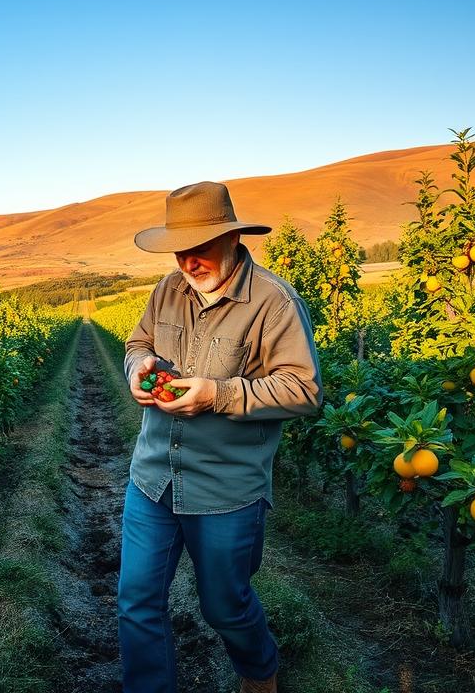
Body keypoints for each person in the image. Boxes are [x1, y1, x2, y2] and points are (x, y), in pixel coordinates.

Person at [118, 181, 322, 693]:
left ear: (232, 238)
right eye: (180, 251)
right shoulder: (168, 290)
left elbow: (303, 390)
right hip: (152, 478)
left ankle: (260, 671)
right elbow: (138, 342)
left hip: (225, 490)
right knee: (137, 603)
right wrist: (137, 366)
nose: (188, 263)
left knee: (225, 606)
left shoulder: (273, 303)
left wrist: (218, 394)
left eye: (201, 249)